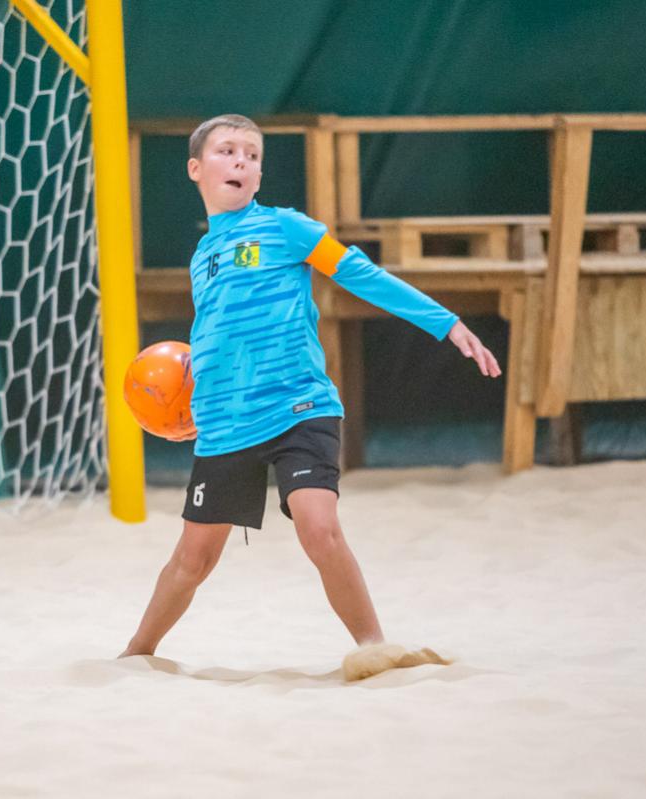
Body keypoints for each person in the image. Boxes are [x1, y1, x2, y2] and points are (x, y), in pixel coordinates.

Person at [118, 114, 502, 681]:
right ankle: (135, 656)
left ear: (258, 175)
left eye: (252, 155)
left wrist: (446, 323)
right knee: (192, 559)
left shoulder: (286, 228)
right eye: (228, 150)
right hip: (225, 423)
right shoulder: (202, 257)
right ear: (196, 169)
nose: (242, 160)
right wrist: (197, 394)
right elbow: (213, 331)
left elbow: (362, 275)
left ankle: (375, 649)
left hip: (300, 406)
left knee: (317, 526)